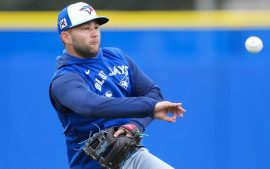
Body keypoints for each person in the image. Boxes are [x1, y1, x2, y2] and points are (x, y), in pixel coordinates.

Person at [49, 2, 186, 169]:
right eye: (85, 28)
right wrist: (150, 107)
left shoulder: (116, 57)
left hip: (131, 159)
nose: (94, 33)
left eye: (96, 27)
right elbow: (91, 105)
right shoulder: (65, 79)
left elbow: (153, 93)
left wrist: (134, 125)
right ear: (66, 37)